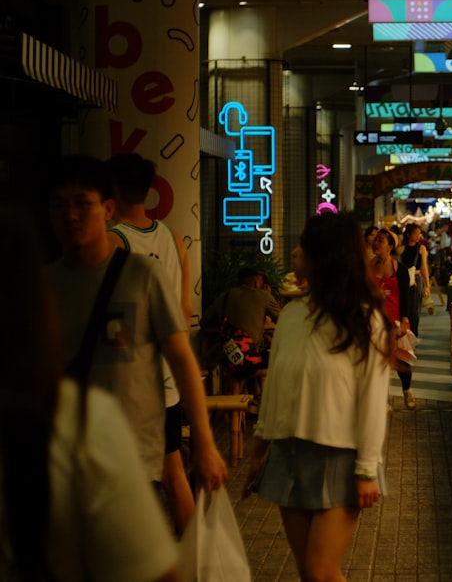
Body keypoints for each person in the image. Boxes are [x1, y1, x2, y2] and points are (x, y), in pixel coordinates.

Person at [42, 156, 227, 491]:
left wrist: (205, 442)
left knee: (165, 482)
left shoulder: (130, 261)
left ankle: (189, 541)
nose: (71, 215)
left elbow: (180, 350)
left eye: (83, 204)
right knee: (172, 477)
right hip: (88, 432)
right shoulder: (173, 238)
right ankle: (191, 542)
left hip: (134, 421)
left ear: (108, 204)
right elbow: (184, 312)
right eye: (59, 205)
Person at [243, 214, 391, 582]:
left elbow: (373, 401)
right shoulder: (292, 315)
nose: (294, 253)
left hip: (342, 459)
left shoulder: (365, 320)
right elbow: (274, 387)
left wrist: (367, 469)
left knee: (321, 571)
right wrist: (260, 449)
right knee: (308, 574)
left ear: (323, 256)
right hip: (288, 454)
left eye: (302, 246)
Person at [106, 152, 195, 533]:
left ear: (109, 191)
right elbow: (185, 310)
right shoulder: (174, 239)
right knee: (172, 470)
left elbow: (113, 321)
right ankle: (194, 558)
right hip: (169, 378)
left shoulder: (113, 240)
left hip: (130, 380)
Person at [371, 228, 416, 409]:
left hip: (396, 320)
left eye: (380, 240)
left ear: (390, 246)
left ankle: (407, 390)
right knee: (377, 363)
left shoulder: (401, 270)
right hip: (374, 323)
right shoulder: (368, 268)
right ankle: (383, 400)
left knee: (400, 360)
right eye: (375, 240)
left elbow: (406, 297)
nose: (376, 243)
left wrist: (404, 320)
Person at [203, 266, 282, 368]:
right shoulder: (264, 296)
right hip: (252, 358)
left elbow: (204, 321)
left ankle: (239, 382)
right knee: (274, 355)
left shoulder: (226, 295)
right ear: (257, 282)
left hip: (227, 357)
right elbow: (282, 320)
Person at [400, 223, 432, 327]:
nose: (418, 236)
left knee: (414, 309)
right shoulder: (401, 248)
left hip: (416, 279)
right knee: (403, 306)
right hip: (403, 278)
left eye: (419, 233)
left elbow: (424, 267)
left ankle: (413, 332)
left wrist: (427, 284)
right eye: (416, 234)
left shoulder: (421, 248)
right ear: (408, 234)